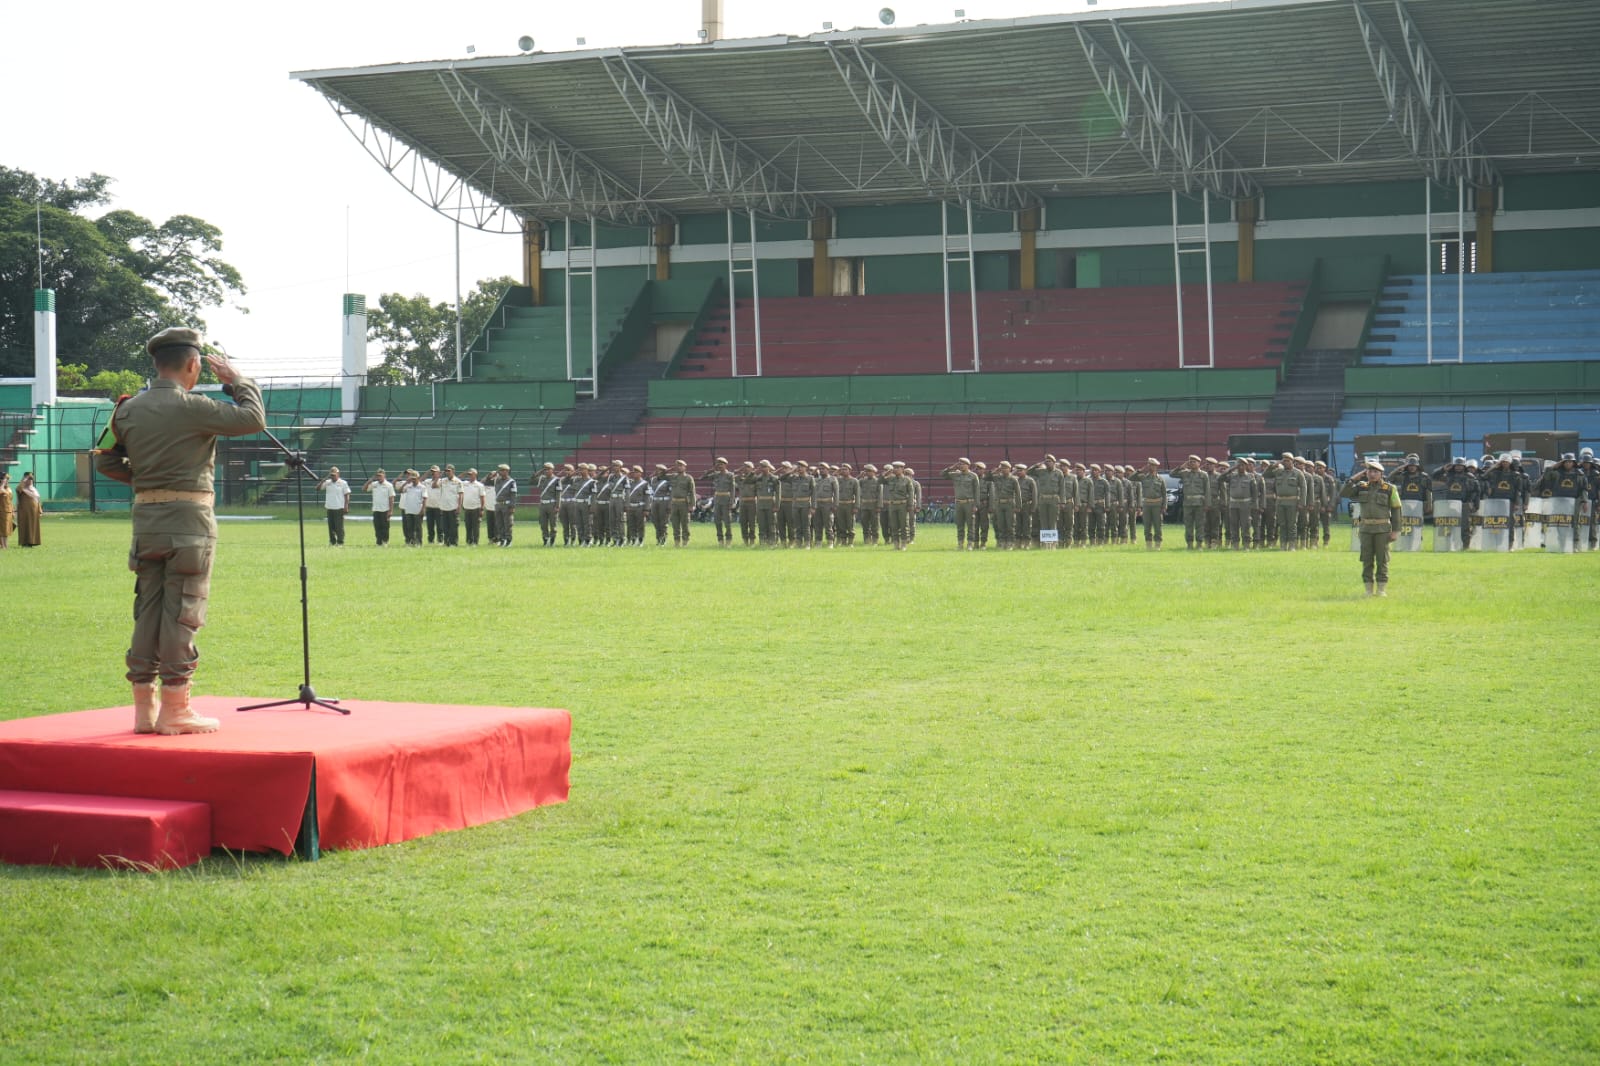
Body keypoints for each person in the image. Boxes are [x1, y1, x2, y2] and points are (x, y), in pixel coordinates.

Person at [93, 327, 266, 734]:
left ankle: (143, 710)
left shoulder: (125, 410)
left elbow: (103, 459)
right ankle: (175, 709)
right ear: (193, 365)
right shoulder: (195, 406)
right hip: (190, 521)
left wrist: (145, 480)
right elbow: (253, 420)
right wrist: (237, 381)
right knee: (183, 611)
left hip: (146, 521)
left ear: (156, 364)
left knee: (148, 609)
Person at [1340, 458, 1402, 597]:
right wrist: (1354, 479)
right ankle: (1368, 590)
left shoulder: (1389, 489)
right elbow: (1344, 493)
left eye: (1375, 471)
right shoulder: (1362, 487)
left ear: (1381, 473)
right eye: (1369, 471)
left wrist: (1396, 531)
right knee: (1367, 560)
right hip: (1366, 529)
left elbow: (1397, 509)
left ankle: (1381, 589)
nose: (1371, 474)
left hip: (1382, 529)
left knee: (1382, 559)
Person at [317, 466, 350, 545]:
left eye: (334, 475)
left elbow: (347, 495)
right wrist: (324, 480)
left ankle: (340, 542)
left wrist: (346, 506)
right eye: (331, 475)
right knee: (331, 527)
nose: (333, 476)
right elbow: (318, 488)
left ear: (338, 474)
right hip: (329, 507)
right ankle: (332, 541)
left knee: (339, 527)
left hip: (339, 508)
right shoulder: (327, 482)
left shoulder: (343, 483)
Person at [363, 469, 395, 546]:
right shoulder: (374, 484)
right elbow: (364, 489)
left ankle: (385, 541)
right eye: (377, 476)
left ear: (384, 475)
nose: (378, 477)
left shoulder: (389, 485)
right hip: (376, 509)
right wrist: (370, 481)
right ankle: (379, 542)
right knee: (377, 527)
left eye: (380, 476)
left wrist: (390, 511)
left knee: (385, 527)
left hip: (385, 510)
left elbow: (391, 498)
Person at [398, 469, 427, 546]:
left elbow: (424, 498)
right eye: (412, 478)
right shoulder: (408, 486)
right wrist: (406, 483)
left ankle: (419, 542)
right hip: (409, 510)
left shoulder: (422, 487)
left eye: (414, 478)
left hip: (418, 510)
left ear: (418, 478)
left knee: (418, 528)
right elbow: (400, 491)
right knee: (409, 527)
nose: (413, 480)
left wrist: (423, 509)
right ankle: (411, 542)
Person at [491, 464, 518, 546]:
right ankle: (502, 539)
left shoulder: (511, 482)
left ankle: (508, 540)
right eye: (499, 470)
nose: (500, 472)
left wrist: (512, 506)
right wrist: (493, 474)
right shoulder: (497, 480)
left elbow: (513, 495)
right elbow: (486, 480)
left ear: (507, 471)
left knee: (507, 524)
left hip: (507, 505)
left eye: (502, 470)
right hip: (498, 505)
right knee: (499, 524)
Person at [15, 471, 42, 547]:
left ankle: (32, 542)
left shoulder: (33, 489)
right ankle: (25, 543)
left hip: (34, 512)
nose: (30, 480)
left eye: (31, 479)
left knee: (33, 527)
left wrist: (40, 510)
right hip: (24, 512)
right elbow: (17, 488)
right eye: (28, 479)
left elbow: (37, 500)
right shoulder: (22, 488)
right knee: (25, 526)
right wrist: (24, 479)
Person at [459, 469, 486, 545]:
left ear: (475, 475)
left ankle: (475, 542)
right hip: (467, 509)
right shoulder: (465, 483)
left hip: (476, 509)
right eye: (469, 474)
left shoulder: (480, 485)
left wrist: (482, 509)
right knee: (468, 526)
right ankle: (469, 541)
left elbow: (482, 498)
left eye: (471, 474)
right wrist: (464, 473)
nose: (469, 476)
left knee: (475, 527)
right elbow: (457, 479)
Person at [0, 471, 13, 549]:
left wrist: (13, 511)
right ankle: (3, 546)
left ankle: (6, 545)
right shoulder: (1, 487)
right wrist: (2, 484)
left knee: (7, 529)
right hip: (2, 511)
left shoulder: (8, 488)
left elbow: (10, 500)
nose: (7, 480)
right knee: (2, 529)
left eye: (7, 479)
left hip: (8, 511)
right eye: (5, 479)